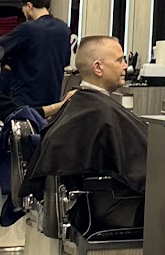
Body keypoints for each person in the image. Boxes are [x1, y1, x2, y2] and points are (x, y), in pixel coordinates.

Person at [23, 33, 148, 201]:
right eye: (120, 60)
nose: (126, 66)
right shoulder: (98, 113)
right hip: (114, 203)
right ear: (98, 68)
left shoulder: (84, 105)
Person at [0, 0, 71, 114]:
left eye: (23, 8)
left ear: (29, 6)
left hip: (26, 100)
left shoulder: (27, 29)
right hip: (52, 100)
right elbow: (65, 61)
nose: (22, 11)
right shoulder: (64, 29)